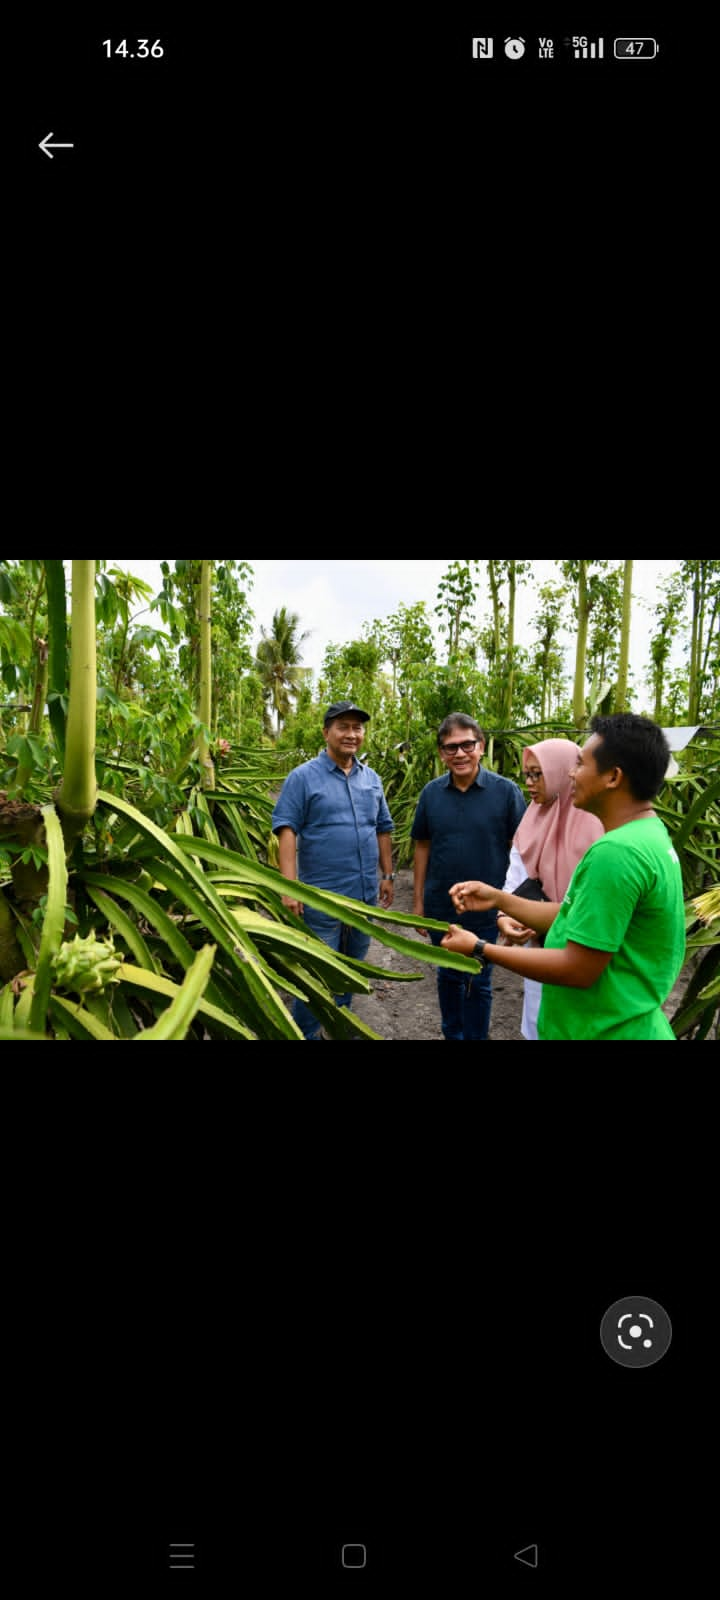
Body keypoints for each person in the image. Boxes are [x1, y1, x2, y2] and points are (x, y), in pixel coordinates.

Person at [440, 714, 685, 1040]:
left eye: (581, 764)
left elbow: (578, 968)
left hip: (604, 1029)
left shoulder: (616, 853)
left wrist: (480, 948)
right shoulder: (648, 834)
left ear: (613, 777)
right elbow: (574, 914)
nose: (571, 772)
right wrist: (499, 898)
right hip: (621, 1019)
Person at [271, 701, 395, 1039]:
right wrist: (289, 888)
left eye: (357, 727)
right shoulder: (303, 777)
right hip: (319, 898)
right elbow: (286, 829)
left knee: (351, 970)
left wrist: (387, 875)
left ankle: (340, 1028)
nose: (351, 734)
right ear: (326, 732)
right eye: (343, 726)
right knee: (316, 973)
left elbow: (383, 827)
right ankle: (307, 1034)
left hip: (364, 895)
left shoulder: (371, 779)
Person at [411, 713, 526, 1040]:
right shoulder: (431, 794)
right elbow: (422, 847)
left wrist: (511, 907)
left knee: (480, 978)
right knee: (447, 975)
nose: (459, 754)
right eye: (450, 748)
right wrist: (418, 903)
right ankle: (453, 1034)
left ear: (482, 746)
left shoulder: (506, 792)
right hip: (441, 904)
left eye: (467, 745)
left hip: (488, 907)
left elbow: (518, 852)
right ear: (441, 753)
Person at [499, 739, 603, 1039]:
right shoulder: (531, 817)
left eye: (537, 774)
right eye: (526, 775)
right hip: (540, 947)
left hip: (585, 949)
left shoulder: (598, 824)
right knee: (538, 1023)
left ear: (561, 772)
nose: (529, 784)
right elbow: (514, 880)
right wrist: (504, 917)